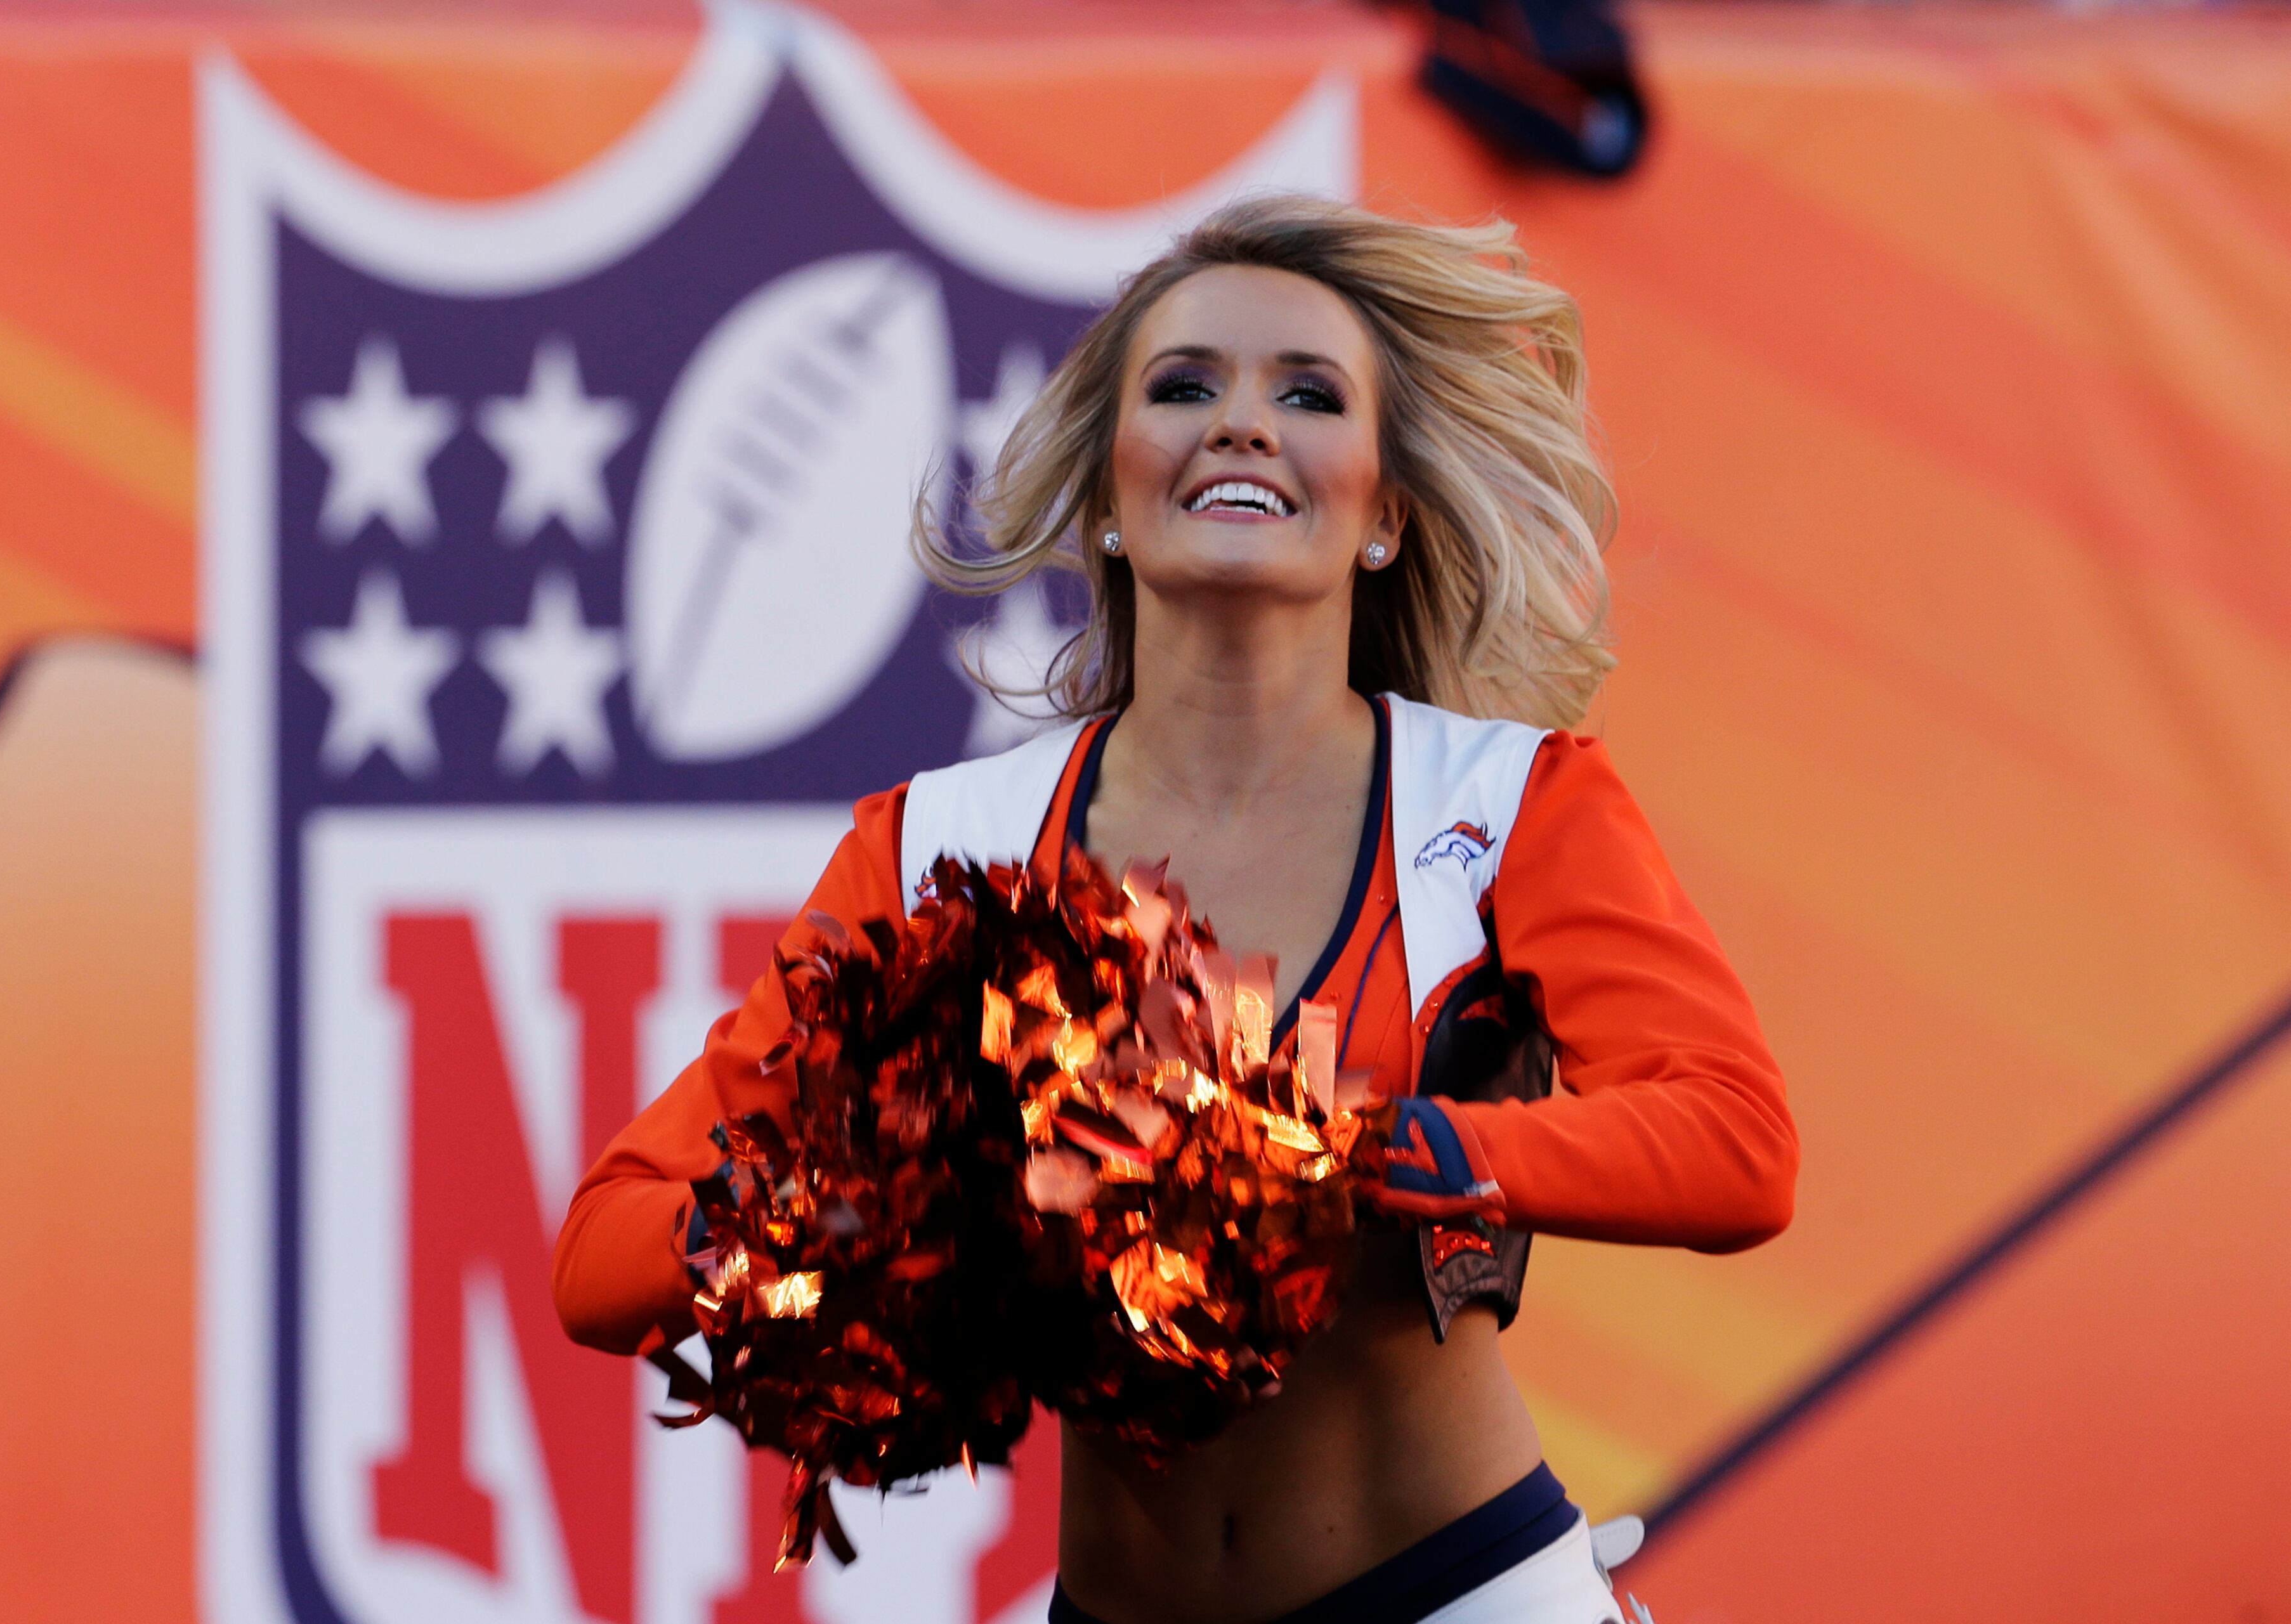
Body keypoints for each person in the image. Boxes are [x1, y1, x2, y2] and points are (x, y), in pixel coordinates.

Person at [552, 195, 1798, 1624]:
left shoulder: (1510, 807)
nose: (1242, 423)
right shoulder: (943, 846)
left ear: (1386, 513)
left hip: (1460, 1595)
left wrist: (1336, 1149)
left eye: (1310, 394)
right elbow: (604, 1252)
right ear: (1106, 497)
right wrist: (870, 1211)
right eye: (1185, 386)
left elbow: (1736, 1148)